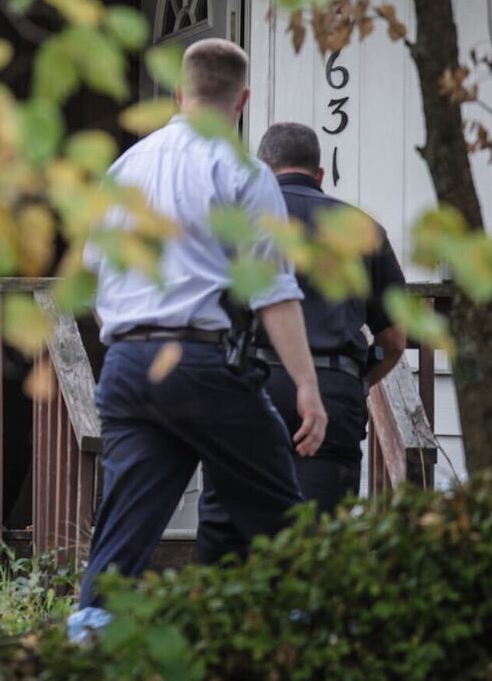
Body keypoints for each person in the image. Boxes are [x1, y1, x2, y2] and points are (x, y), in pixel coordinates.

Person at [70, 39, 327, 637]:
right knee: (276, 502)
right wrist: (308, 386)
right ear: (243, 100)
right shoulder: (242, 170)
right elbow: (272, 290)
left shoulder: (124, 168)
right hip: (197, 359)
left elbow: (88, 276)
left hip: (128, 364)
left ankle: (86, 643)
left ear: (180, 94)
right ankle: (314, 628)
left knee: (126, 522)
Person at [196, 121, 407, 562]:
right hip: (332, 390)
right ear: (321, 175)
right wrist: (359, 380)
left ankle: (226, 617)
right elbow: (394, 338)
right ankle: (305, 622)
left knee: (231, 533)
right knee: (318, 535)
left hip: (250, 383)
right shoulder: (363, 229)